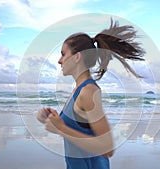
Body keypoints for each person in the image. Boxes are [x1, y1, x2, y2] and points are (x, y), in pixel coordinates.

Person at [37, 19, 145, 169]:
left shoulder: (89, 92)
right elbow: (79, 130)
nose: (59, 61)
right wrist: (51, 119)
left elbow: (107, 148)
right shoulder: (78, 90)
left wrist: (61, 128)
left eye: (63, 54)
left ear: (77, 57)